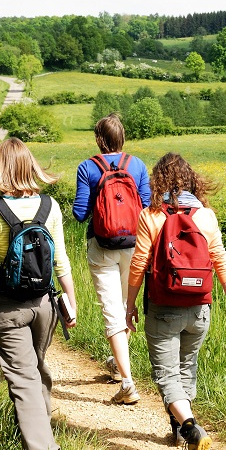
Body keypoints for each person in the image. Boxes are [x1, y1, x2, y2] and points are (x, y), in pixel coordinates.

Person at [125, 153, 226, 450]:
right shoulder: (205, 216)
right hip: (199, 307)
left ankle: (190, 429)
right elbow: (220, 259)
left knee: (166, 376)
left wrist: (130, 304)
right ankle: (177, 429)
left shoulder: (151, 215)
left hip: (163, 308)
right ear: (192, 180)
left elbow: (138, 265)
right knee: (186, 367)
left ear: (157, 181)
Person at [0, 138, 77, 450]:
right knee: (35, 370)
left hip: (8, 307)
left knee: (23, 377)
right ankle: (40, 435)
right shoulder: (50, 206)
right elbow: (61, 259)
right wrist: (71, 299)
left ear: (0, 170)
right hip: (45, 306)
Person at [73, 114, 151, 405]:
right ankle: (120, 367)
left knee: (111, 310)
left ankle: (128, 383)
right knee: (124, 307)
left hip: (101, 245)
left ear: (98, 139)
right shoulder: (138, 165)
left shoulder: (87, 167)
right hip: (134, 246)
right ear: (123, 138)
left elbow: (80, 213)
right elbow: (145, 205)